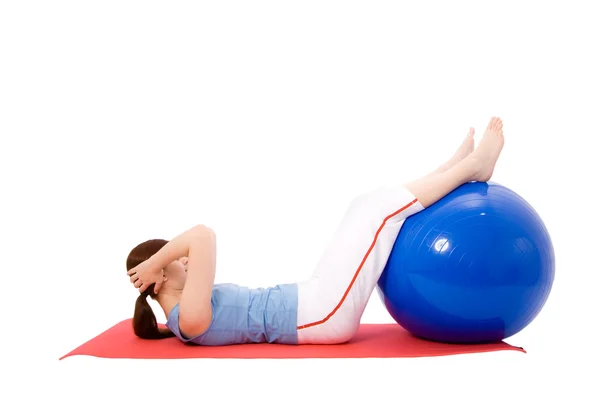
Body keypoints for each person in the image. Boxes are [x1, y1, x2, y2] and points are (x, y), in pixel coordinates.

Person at [126, 116, 505, 346]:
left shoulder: (185, 304)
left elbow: (195, 244)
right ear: (157, 281)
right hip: (321, 317)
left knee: (364, 204)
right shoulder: (186, 320)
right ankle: (471, 169)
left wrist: (161, 263)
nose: (185, 260)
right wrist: (157, 259)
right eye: (175, 261)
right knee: (377, 213)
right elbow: (203, 235)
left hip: (310, 298)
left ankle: (449, 170)